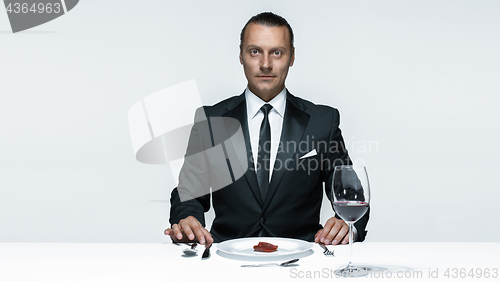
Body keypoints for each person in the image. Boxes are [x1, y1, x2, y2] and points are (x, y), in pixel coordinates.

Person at [164, 12, 369, 246]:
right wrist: (187, 218)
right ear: (241, 56)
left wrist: (347, 226)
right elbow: (188, 192)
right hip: (227, 261)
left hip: (302, 260)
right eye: (255, 52)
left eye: (277, 52)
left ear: (292, 57)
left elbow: (353, 195)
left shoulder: (323, 121)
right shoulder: (211, 119)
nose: (265, 64)